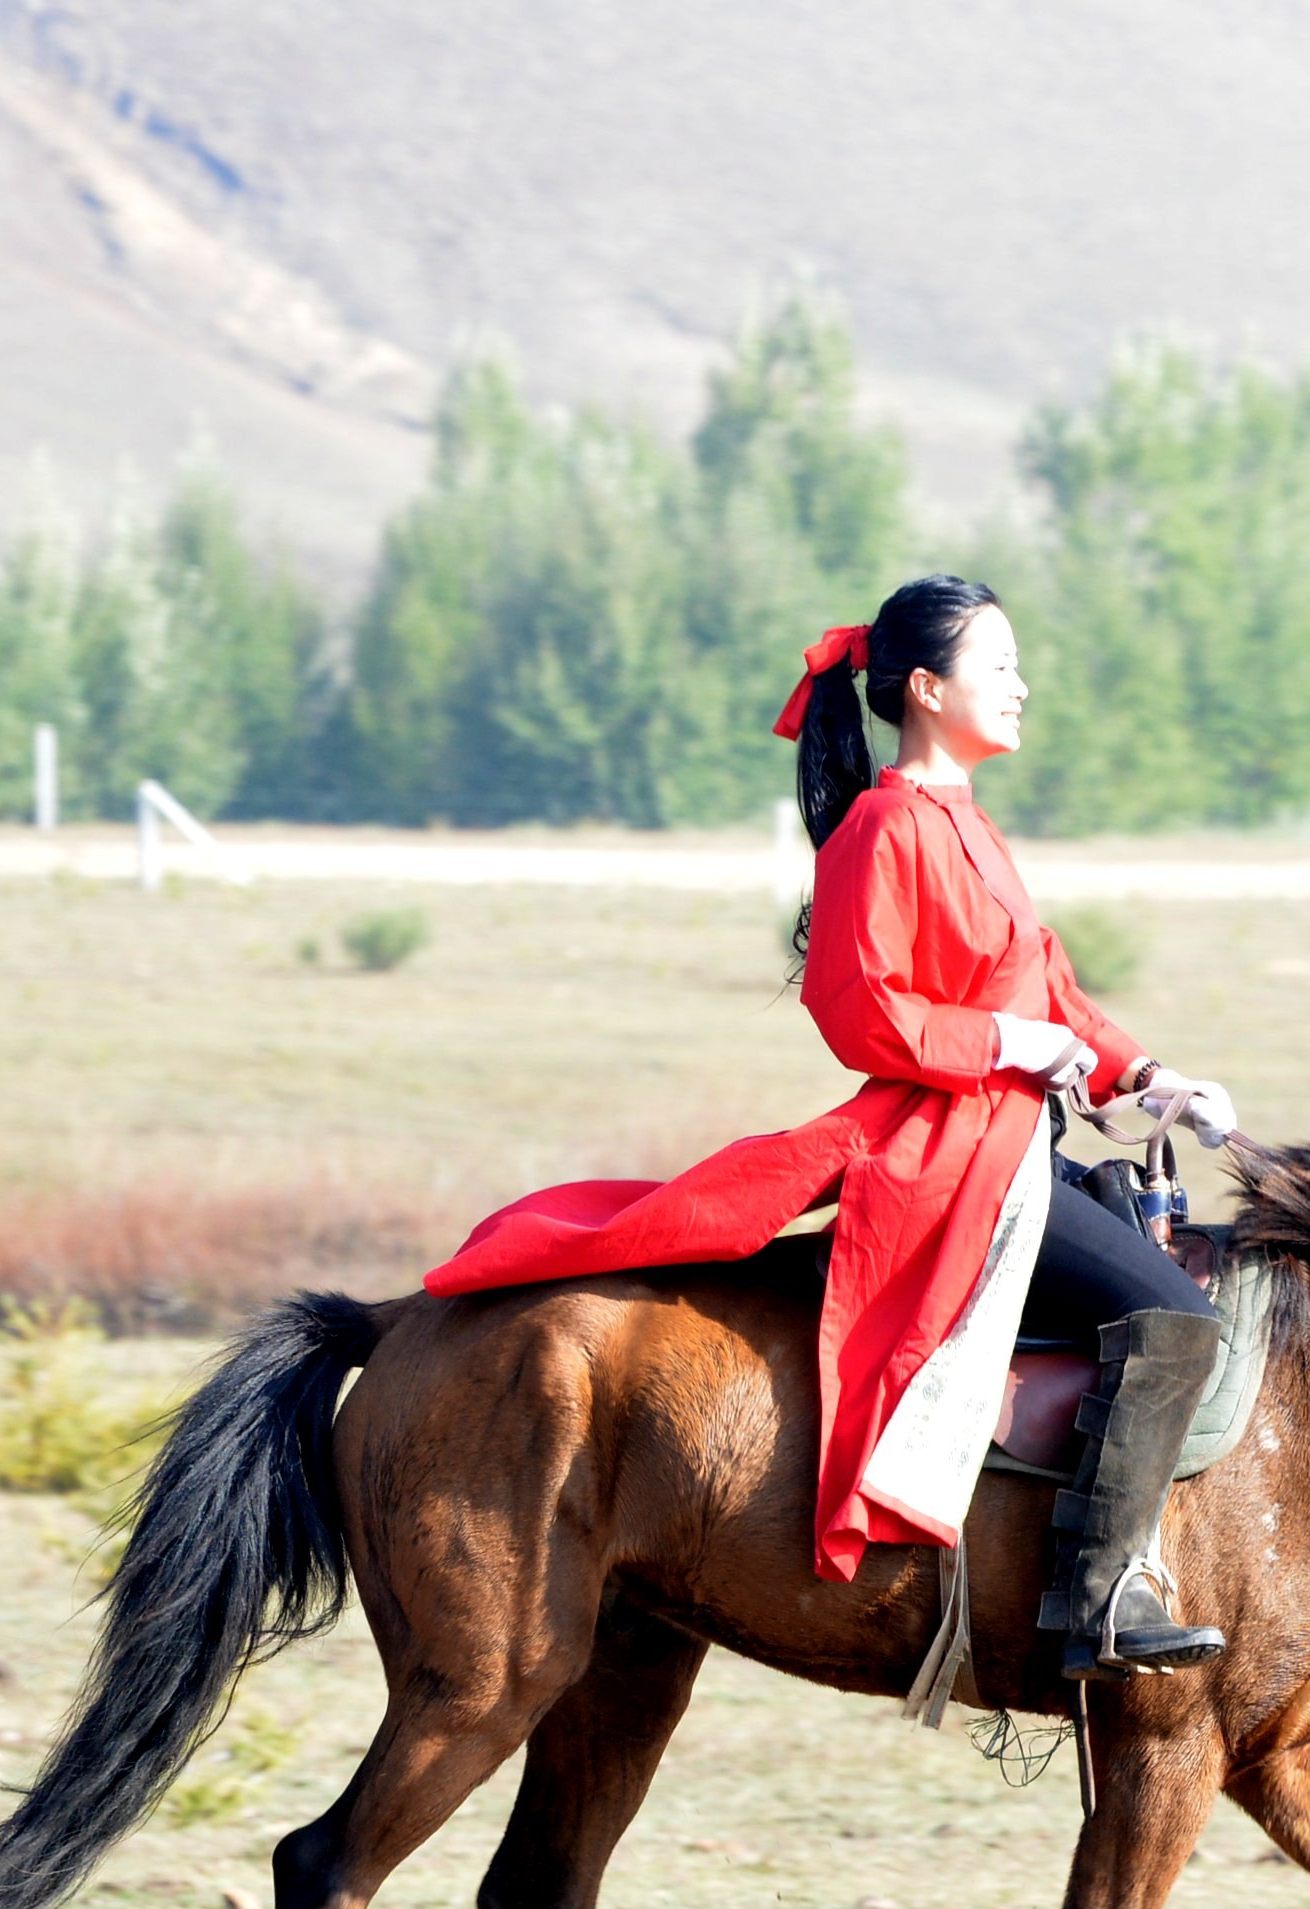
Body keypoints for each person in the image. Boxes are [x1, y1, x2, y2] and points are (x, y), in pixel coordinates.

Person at [424, 576, 1242, 1678]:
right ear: (923, 686)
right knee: (1174, 1315)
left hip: (1008, 1142)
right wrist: (1002, 1046)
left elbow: (1053, 995)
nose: (1021, 686)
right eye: (998, 667)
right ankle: (1096, 1597)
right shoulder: (881, 825)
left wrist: (1150, 1074)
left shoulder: (969, 825)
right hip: (946, 1156)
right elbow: (858, 1009)